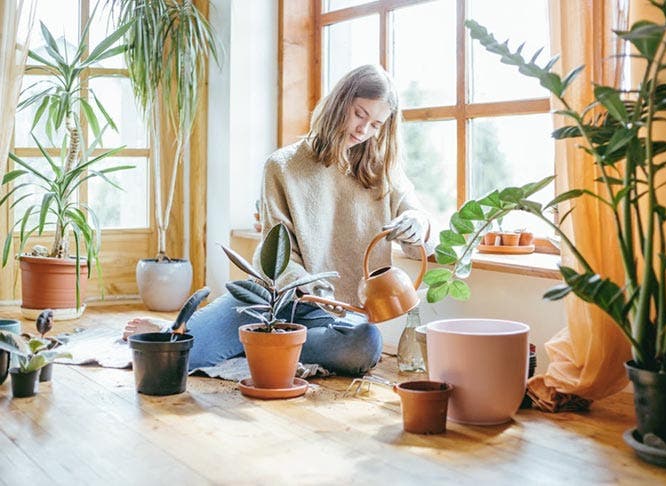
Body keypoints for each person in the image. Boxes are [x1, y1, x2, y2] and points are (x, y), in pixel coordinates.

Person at [124, 64, 434, 376]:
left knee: (365, 346)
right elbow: (277, 253)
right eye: (360, 114)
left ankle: (261, 343)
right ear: (340, 103)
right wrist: (308, 287)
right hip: (271, 300)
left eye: (376, 125)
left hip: (334, 318)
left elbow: (417, 219)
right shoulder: (282, 166)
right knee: (177, 353)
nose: (363, 129)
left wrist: (416, 224)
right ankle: (231, 335)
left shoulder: (385, 172)